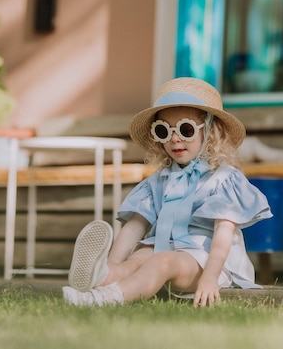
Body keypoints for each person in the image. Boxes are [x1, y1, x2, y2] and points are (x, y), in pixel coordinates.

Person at [62, 77, 272, 307]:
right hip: (165, 249)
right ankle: (102, 277)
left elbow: (223, 233)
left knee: (161, 260)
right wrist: (113, 262)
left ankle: (104, 299)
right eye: (163, 130)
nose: (174, 138)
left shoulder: (223, 179)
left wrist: (210, 278)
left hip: (205, 261)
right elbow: (133, 228)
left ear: (210, 131)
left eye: (185, 128)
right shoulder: (158, 181)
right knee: (139, 258)